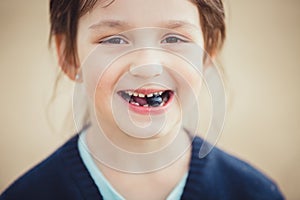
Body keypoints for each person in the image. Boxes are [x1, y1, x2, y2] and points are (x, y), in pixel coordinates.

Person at [0, 0, 284, 199]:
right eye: (113, 39)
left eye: (174, 38)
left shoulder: (253, 193)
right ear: (69, 56)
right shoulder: (28, 194)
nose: (147, 65)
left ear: (208, 50)